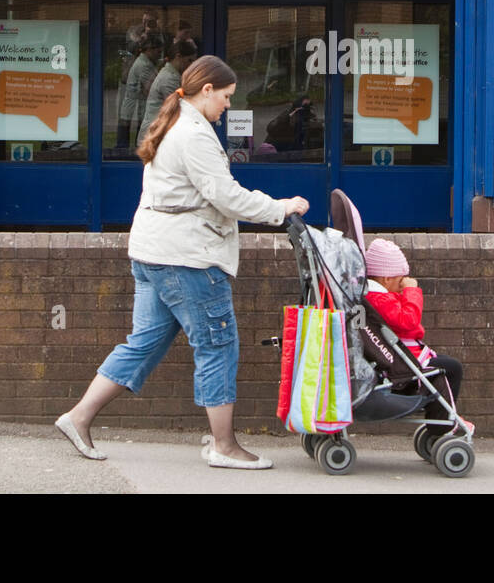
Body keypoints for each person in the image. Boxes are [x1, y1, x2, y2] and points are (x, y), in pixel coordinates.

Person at [56, 54, 309, 468]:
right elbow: (225, 195)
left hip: (153, 252)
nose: (229, 105)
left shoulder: (175, 123)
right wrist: (280, 208)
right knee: (218, 344)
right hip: (186, 258)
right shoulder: (193, 133)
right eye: (226, 96)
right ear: (206, 90)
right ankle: (224, 446)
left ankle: (78, 416)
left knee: (143, 343)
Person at [363, 238, 468, 436]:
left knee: (444, 363)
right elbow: (408, 320)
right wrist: (411, 290)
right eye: (399, 279)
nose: (402, 284)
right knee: (451, 368)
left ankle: (444, 419)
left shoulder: (376, 297)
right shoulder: (380, 300)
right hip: (402, 367)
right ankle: (442, 426)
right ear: (386, 279)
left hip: (405, 357)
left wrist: (402, 291)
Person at [139, 37, 198, 134]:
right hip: (154, 134)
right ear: (178, 56)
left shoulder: (172, 75)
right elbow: (180, 109)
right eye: (189, 60)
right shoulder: (169, 79)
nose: (191, 65)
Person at [119, 31, 164, 148]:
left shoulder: (146, 62)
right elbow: (151, 89)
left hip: (135, 108)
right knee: (134, 141)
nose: (160, 55)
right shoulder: (144, 66)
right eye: (158, 52)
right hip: (137, 108)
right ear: (149, 49)